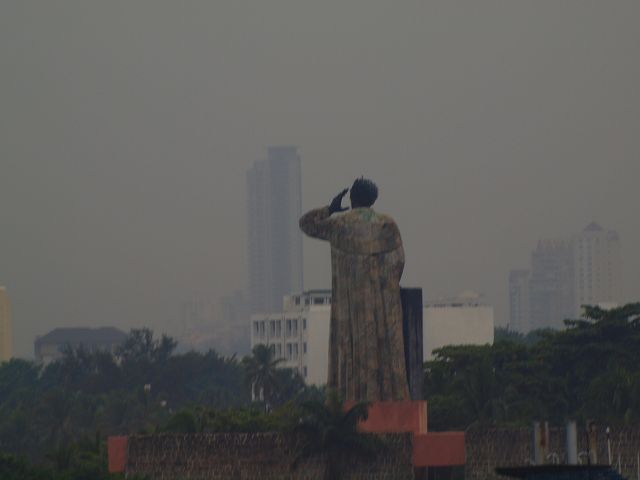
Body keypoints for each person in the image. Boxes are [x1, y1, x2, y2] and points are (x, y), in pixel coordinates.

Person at [299, 178, 410, 401]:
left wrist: (330, 209)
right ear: (373, 199)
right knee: (384, 351)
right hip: (381, 305)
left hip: (350, 305)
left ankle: (351, 397)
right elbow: (399, 261)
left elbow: (306, 224)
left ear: (351, 198)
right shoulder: (386, 225)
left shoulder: (339, 225)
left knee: (350, 351)